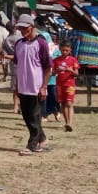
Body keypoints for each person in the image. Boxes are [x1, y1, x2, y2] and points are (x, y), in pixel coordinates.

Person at [11, 13, 52, 156]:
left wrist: (44, 87)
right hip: (23, 87)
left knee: (34, 117)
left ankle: (32, 145)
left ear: (31, 27)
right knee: (28, 117)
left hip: (36, 88)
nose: (22, 30)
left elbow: (48, 68)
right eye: (20, 28)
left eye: (24, 28)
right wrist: (17, 86)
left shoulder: (41, 43)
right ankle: (43, 139)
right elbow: (18, 66)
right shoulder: (19, 44)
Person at [52, 33, 80, 132]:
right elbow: (52, 73)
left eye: (66, 50)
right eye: (63, 50)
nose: (64, 52)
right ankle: (66, 122)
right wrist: (57, 70)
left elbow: (77, 74)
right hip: (60, 85)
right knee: (63, 103)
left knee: (69, 103)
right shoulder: (56, 60)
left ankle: (70, 123)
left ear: (70, 50)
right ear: (60, 49)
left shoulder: (73, 60)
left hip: (70, 84)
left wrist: (70, 70)